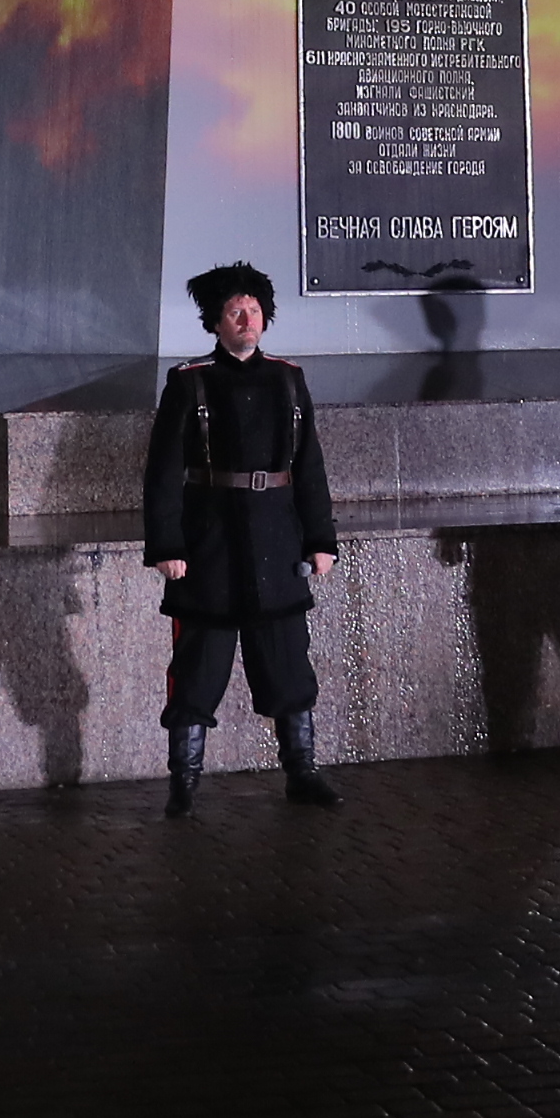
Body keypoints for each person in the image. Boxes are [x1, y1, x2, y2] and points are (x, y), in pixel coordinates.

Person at [145, 263, 340, 814]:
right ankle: (183, 784)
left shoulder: (287, 379)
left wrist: (320, 539)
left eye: (253, 310)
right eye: (235, 311)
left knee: (288, 667)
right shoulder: (190, 382)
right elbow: (163, 473)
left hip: (276, 542)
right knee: (197, 672)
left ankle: (302, 772)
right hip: (210, 546)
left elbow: (309, 468)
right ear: (216, 321)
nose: (246, 320)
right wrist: (167, 546)